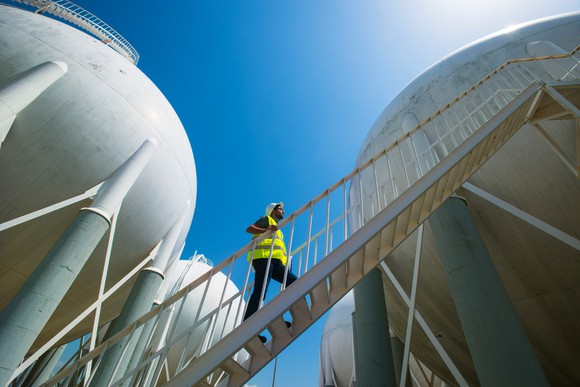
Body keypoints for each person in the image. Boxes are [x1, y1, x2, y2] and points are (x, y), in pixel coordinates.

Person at [243, 202, 297, 327]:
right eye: (280, 209)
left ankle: (276, 314)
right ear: (273, 210)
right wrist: (265, 230)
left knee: (294, 281)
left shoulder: (278, 229)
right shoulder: (266, 219)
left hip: (276, 263)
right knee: (260, 291)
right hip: (263, 258)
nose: (283, 211)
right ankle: (248, 324)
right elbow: (249, 229)